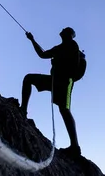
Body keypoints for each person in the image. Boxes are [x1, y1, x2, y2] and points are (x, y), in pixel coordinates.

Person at [20, 27, 82, 156]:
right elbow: (42, 54)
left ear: (69, 34)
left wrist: (58, 64)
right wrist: (32, 40)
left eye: (65, 30)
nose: (62, 30)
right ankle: (23, 110)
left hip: (65, 82)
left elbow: (73, 65)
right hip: (54, 80)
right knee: (28, 78)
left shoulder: (72, 46)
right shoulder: (58, 48)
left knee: (64, 110)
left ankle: (75, 147)